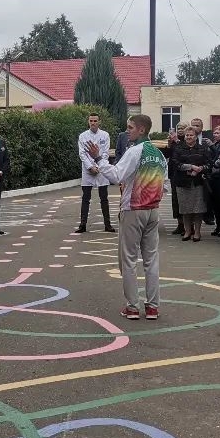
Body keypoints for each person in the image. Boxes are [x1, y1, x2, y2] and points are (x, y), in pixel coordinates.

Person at [86, 114, 166, 321]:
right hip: (153, 209)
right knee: (151, 259)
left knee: (128, 260)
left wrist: (99, 159)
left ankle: (132, 307)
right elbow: (164, 185)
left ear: (141, 130)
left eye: (130, 127)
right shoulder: (159, 154)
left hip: (133, 209)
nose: (127, 131)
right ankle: (153, 307)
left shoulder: (134, 151)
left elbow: (116, 176)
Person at [170, 126, 212, 241]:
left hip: (198, 183)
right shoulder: (178, 148)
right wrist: (190, 167)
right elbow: (175, 163)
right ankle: (187, 231)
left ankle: (197, 232)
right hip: (182, 183)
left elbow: (209, 164)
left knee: (198, 210)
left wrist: (200, 169)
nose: (189, 137)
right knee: (185, 209)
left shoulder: (203, 148)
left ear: (196, 136)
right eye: (187, 135)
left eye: (191, 135)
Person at [76, 113, 115, 233]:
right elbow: (82, 154)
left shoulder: (105, 135)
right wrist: (90, 167)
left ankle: (107, 224)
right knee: (85, 198)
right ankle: (82, 225)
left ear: (99, 122)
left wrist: (98, 166)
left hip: (101, 169)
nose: (93, 123)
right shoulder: (83, 136)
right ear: (88, 122)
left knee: (104, 198)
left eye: (95, 121)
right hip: (88, 171)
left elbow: (105, 153)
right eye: (91, 121)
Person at [167, 122, 188, 235]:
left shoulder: (188, 140)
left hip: (184, 173)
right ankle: (180, 224)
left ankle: (187, 226)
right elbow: (168, 155)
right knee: (175, 200)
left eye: (182, 128)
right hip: (174, 172)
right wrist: (169, 144)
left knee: (184, 199)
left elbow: (185, 152)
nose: (180, 130)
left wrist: (176, 141)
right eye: (178, 128)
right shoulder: (174, 141)